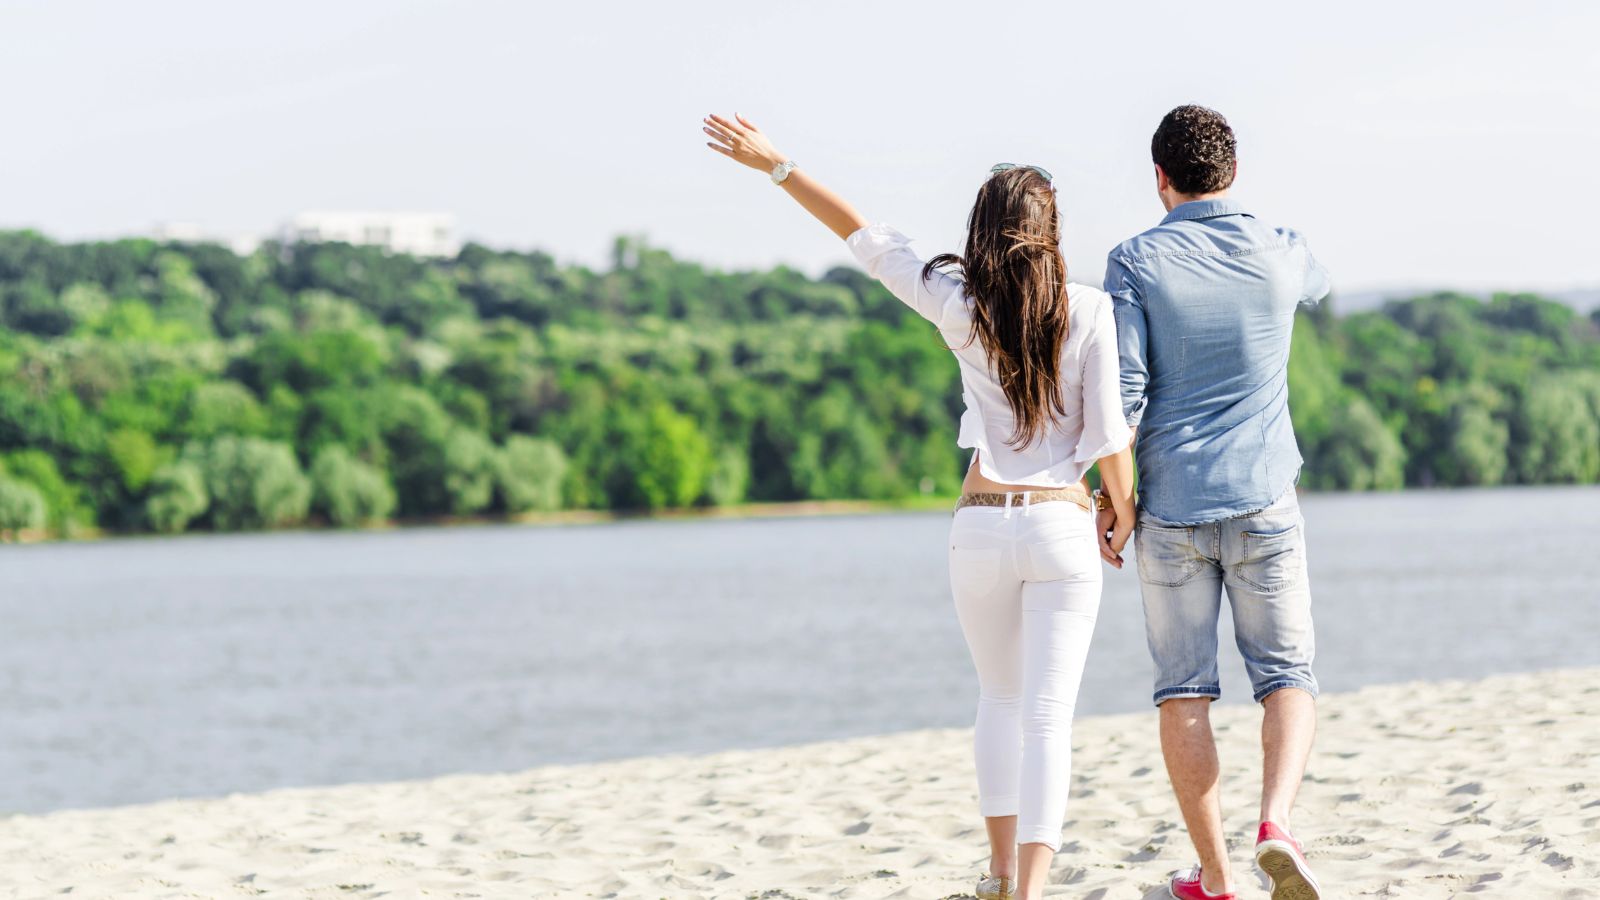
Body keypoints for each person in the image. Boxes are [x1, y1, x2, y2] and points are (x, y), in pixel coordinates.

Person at [703, 112, 1136, 900]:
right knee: (1047, 716)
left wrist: (777, 166)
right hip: (1059, 526)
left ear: (982, 229)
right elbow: (1109, 434)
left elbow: (865, 238)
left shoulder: (955, 300)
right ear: (1052, 232)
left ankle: (999, 874)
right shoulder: (1092, 309)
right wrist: (1122, 510)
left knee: (999, 699)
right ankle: (1032, 889)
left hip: (978, 526)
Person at [1102, 105, 1329, 900]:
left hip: (1169, 507)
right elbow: (1319, 279)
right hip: (1266, 498)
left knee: (1185, 689)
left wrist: (1115, 500)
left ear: (1159, 178)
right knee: (1287, 674)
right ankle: (1276, 825)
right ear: (1232, 172)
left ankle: (1220, 878)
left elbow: (1123, 395)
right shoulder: (1283, 250)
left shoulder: (1133, 261)